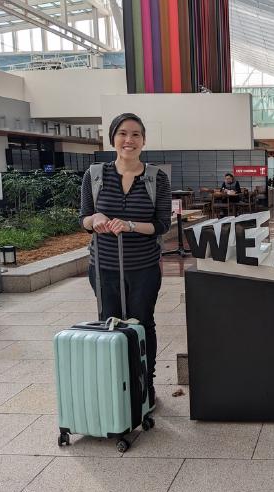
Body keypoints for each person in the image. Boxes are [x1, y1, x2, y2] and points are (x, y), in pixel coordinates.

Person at [79, 112, 171, 407]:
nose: (128, 140)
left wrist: (130, 225)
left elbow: (161, 225)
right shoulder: (95, 175)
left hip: (143, 268)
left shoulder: (156, 178)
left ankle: (146, 383)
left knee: (142, 323)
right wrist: (96, 218)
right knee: (109, 324)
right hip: (103, 267)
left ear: (143, 141)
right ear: (112, 139)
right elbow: (83, 219)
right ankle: (116, 385)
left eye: (135, 134)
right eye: (122, 133)